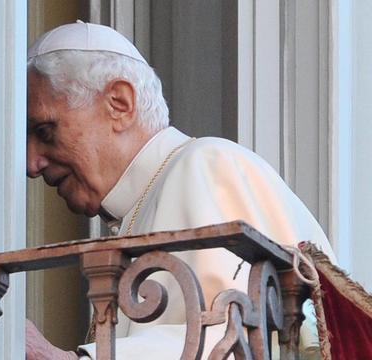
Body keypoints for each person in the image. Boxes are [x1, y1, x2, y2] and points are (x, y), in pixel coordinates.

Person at [25, 21, 336, 360]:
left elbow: (229, 337)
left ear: (119, 102)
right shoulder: (138, 207)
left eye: (44, 130)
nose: (31, 163)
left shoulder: (207, 164)